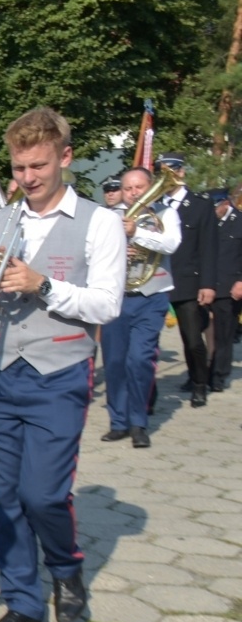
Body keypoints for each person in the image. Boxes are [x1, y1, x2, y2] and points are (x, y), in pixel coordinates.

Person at [0, 108, 125, 622]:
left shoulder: (99, 223)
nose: (27, 178)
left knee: (43, 495)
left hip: (58, 372)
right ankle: (23, 604)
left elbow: (106, 305)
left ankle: (66, 566)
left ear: (65, 158)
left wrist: (43, 284)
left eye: (37, 166)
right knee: (0, 495)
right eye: (18, 167)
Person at [101, 167, 180, 448]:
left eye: (139, 187)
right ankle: (118, 422)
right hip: (117, 297)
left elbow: (171, 243)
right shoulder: (109, 216)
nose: (134, 193)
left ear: (150, 187)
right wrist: (120, 247)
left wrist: (138, 235)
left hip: (152, 295)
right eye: (128, 188)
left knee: (140, 359)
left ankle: (139, 423)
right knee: (114, 361)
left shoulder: (165, 213)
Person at [151, 154, 218, 404]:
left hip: (188, 282)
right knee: (149, 341)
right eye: (161, 172)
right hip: (157, 280)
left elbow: (209, 248)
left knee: (192, 340)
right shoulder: (154, 204)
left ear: (181, 172)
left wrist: (208, 284)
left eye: (170, 171)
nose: (165, 176)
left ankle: (199, 382)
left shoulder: (201, 204)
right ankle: (150, 393)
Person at [208, 188, 241, 391]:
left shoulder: (240, 221)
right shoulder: (208, 222)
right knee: (198, 335)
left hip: (230, 287)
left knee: (224, 334)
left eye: (215, 208)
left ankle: (218, 375)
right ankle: (198, 375)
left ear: (226, 204)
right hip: (205, 285)